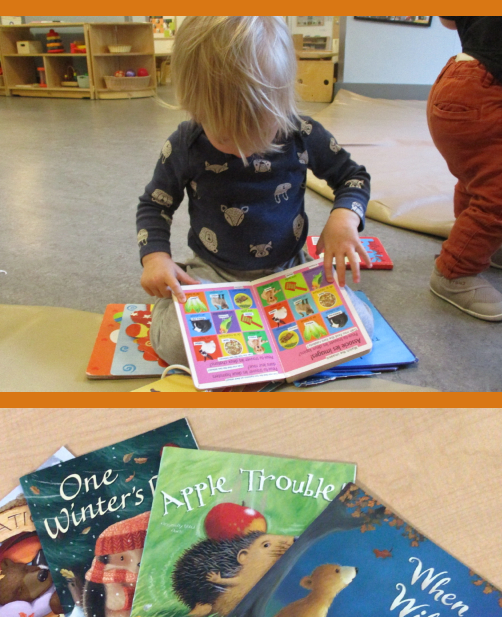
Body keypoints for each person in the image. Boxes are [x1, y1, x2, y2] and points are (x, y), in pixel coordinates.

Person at [137, 16, 374, 367]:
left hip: (290, 267)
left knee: (360, 327)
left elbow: (354, 177)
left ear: (281, 103)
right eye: (225, 136)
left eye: (257, 131)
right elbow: (154, 205)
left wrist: (344, 219)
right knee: (173, 345)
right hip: (213, 272)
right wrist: (156, 258)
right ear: (195, 108)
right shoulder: (185, 144)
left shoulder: (302, 133)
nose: (244, 149)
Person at [426, 16, 502, 321]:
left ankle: (487, 246)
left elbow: (447, 19)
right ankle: (454, 271)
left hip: (459, 75)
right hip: (491, 92)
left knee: (478, 177)